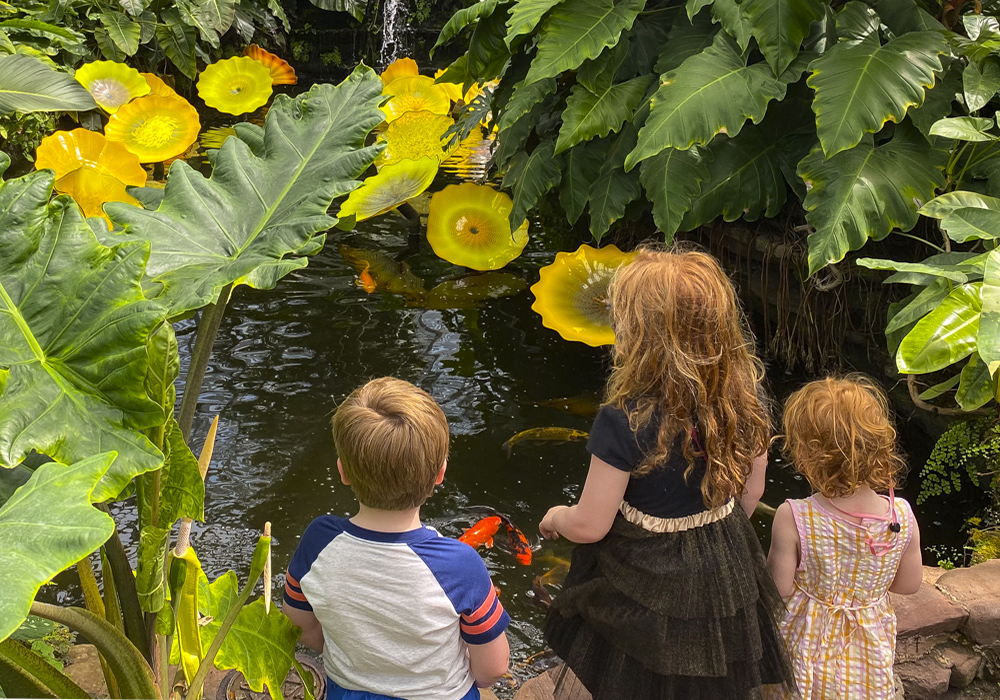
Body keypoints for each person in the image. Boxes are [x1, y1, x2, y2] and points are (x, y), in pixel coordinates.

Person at [539, 246, 796, 700]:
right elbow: (752, 493)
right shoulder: (745, 396)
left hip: (646, 571)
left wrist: (557, 517)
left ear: (638, 335)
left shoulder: (624, 419)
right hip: (724, 554)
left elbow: (591, 525)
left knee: (641, 676)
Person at [282, 377, 510, 700]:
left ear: (343, 472)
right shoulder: (459, 566)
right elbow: (494, 667)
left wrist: (352, 657)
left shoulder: (318, 542)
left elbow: (300, 625)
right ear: (439, 475)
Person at [765, 376, 922, 700]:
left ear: (808, 456)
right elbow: (908, 584)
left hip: (805, 645)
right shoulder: (901, 517)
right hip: (867, 656)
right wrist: (864, 586)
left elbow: (777, 589)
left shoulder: (794, 516)